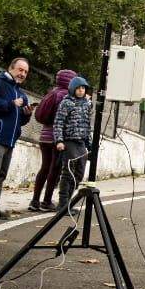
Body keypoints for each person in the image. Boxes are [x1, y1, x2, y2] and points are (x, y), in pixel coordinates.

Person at [0, 57, 33, 220]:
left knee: (1, 174)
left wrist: (26, 114)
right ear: (11, 68)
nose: (22, 74)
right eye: (20, 70)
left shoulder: (21, 93)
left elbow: (19, 120)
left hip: (10, 139)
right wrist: (10, 104)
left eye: (25, 72)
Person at [28, 68, 75, 212]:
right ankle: (47, 201)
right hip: (58, 138)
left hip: (45, 136)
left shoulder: (52, 93)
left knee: (44, 167)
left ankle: (35, 200)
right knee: (54, 169)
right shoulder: (67, 96)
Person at [53, 75, 93, 210]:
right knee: (68, 173)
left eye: (83, 88)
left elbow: (88, 125)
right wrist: (59, 140)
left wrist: (90, 144)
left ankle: (69, 202)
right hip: (69, 142)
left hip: (81, 143)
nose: (81, 90)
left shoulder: (87, 104)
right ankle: (63, 203)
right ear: (72, 89)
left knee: (79, 174)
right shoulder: (66, 103)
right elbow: (58, 122)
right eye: (79, 88)